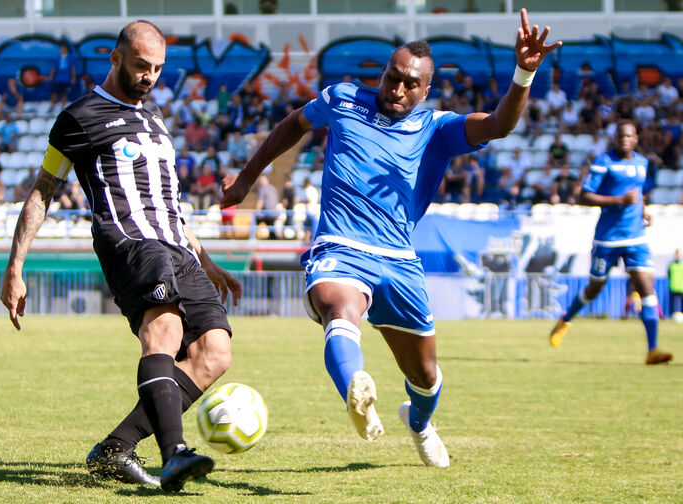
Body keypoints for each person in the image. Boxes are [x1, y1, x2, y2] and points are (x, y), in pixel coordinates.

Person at [222, 9, 559, 467]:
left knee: (425, 375)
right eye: (391, 77)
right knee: (338, 308)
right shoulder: (341, 99)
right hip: (340, 246)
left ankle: (419, 421)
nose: (397, 90)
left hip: (399, 260)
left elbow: (498, 125)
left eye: (410, 84)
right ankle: (356, 388)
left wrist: (523, 73)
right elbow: (293, 125)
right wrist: (245, 179)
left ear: (426, 90)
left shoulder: (437, 129)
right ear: (382, 73)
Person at [0, 20, 241, 493]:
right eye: (141, 66)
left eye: (157, 69)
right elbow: (43, 190)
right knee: (165, 330)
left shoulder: (155, 121)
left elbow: (168, 203)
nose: (150, 77)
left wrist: (207, 260)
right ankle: (174, 455)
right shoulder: (80, 117)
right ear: (116, 59)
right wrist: (15, 267)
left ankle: (115, 449)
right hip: (130, 242)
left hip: (176, 246)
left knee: (215, 353)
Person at [549, 121, 673, 365]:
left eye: (628, 135)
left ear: (636, 138)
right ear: (615, 138)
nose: (624, 139)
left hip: (636, 236)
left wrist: (643, 209)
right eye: (620, 136)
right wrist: (619, 201)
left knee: (647, 287)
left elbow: (635, 193)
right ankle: (566, 318)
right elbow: (583, 196)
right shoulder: (603, 162)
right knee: (594, 289)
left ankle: (653, 349)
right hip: (607, 238)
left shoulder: (642, 163)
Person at [49, 43, 77, 109]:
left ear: (66, 49)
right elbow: (54, 68)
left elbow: (73, 68)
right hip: (57, 78)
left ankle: (63, 106)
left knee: (64, 93)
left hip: (66, 79)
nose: (62, 50)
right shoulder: (57, 58)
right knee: (54, 92)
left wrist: (73, 78)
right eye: (61, 49)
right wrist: (51, 76)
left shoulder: (70, 58)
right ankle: (52, 106)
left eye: (64, 49)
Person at [669, 249, 683, 322]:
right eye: (677, 254)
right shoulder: (671, 264)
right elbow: (669, 274)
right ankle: (675, 317)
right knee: (675, 304)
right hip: (674, 287)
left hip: (682, 287)